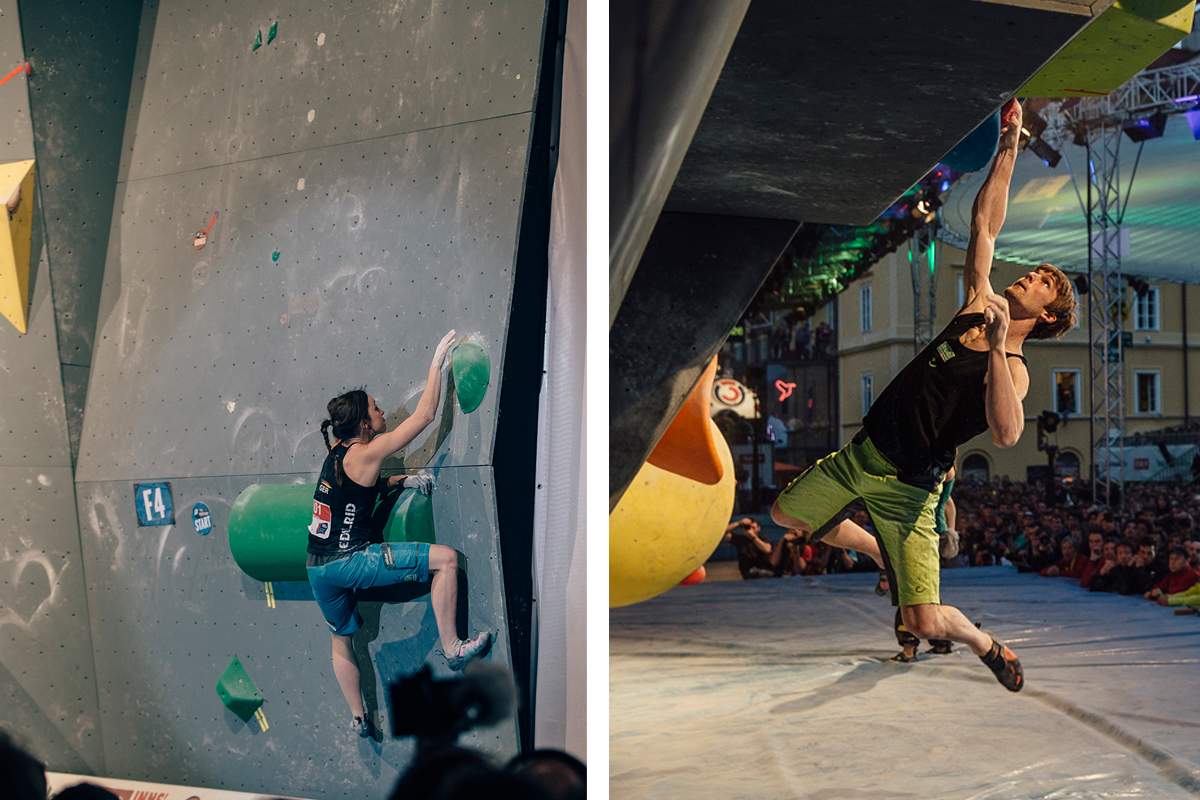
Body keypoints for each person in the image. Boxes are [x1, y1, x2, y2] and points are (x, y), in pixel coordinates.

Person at [771, 98, 1077, 692]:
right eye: (1036, 271)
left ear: (1046, 316)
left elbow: (1008, 433)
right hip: (861, 455)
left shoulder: (1014, 368)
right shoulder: (977, 304)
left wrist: (996, 348)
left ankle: (986, 643)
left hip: (910, 491)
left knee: (925, 621)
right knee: (787, 514)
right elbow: (986, 225)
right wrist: (1010, 143)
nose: (1030, 276)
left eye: (1043, 282)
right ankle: (877, 551)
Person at [307, 330, 491, 737]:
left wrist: (400, 481)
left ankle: (358, 717)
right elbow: (424, 417)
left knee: (341, 642)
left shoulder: (336, 454)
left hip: (317, 568)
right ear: (363, 423)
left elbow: (357, 493)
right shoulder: (367, 451)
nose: (382, 412)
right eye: (376, 409)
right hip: (350, 561)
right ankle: (453, 648)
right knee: (446, 560)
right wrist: (437, 364)